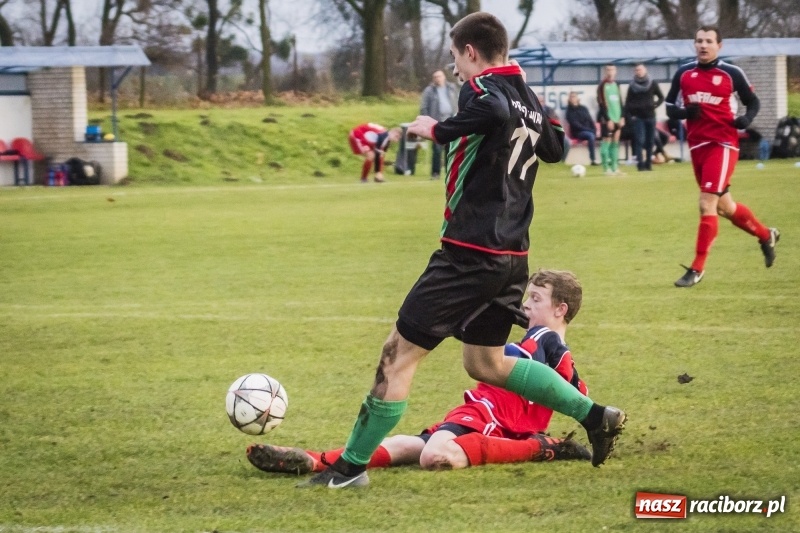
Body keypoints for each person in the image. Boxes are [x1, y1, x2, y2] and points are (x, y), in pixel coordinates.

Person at [298, 12, 626, 489]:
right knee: (485, 364)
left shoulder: (483, 91)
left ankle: (349, 469)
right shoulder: (525, 97)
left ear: (470, 52)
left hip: (467, 253)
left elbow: (490, 113)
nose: (454, 68)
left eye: (455, 56)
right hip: (512, 256)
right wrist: (530, 108)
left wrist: (437, 129)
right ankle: (595, 416)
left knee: (399, 354)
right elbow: (554, 149)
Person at [248, 270, 594, 475]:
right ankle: (314, 461)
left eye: (535, 298)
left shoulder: (543, 337)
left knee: (433, 456)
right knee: (404, 447)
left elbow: (505, 358)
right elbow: (578, 392)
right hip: (485, 417)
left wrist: (477, 329)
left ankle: (542, 448)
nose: (526, 304)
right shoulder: (558, 352)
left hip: (495, 418)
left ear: (560, 309)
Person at [665, 25, 780, 288]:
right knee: (723, 207)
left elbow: (754, 102)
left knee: (706, 203)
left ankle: (697, 268)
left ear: (720, 46)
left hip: (723, 144)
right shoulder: (684, 73)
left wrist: (746, 119)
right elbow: (670, 106)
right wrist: (685, 114)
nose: (703, 45)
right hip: (697, 147)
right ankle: (766, 234)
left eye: (708, 41)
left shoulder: (731, 73)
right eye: (699, 41)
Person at [624, 63, 664, 172]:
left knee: (650, 141)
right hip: (638, 118)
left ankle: (648, 164)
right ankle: (640, 165)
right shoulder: (632, 86)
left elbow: (661, 97)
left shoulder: (652, 83)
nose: (639, 72)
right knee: (639, 141)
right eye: (636, 70)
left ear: (645, 70)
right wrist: (630, 116)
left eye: (640, 69)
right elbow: (627, 103)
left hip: (650, 116)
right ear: (634, 72)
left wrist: (654, 105)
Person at [420, 70, 459, 179]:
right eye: (435, 77)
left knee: (450, 149)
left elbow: (458, 101)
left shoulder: (452, 88)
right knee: (437, 149)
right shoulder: (429, 91)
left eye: (439, 76)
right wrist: (426, 121)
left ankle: (449, 172)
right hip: (436, 122)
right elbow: (424, 107)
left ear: (444, 77)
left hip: (451, 121)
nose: (438, 78)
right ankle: (435, 173)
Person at [597, 64, 625, 175]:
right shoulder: (602, 86)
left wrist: (622, 116)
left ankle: (615, 167)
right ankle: (606, 169)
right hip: (607, 119)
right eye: (608, 69)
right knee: (607, 142)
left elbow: (620, 102)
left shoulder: (617, 85)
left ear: (616, 71)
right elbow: (601, 103)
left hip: (617, 117)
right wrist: (608, 119)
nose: (610, 71)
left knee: (615, 142)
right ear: (605, 71)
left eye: (612, 69)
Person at [565, 92, 598, 166]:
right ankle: (593, 159)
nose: (573, 98)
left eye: (574, 96)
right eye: (571, 97)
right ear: (569, 99)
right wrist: (589, 130)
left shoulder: (584, 108)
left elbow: (590, 120)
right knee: (590, 135)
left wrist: (594, 129)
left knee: (603, 135)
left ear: (578, 98)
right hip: (578, 132)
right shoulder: (569, 111)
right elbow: (575, 124)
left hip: (589, 131)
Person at [539, 94, 569, 163]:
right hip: (540, 133)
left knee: (567, 142)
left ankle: (561, 161)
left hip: (552, 132)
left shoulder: (550, 110)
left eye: (542, 101)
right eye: (539, 101)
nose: (540, 103)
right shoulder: (534, 110)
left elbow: (556, 119)